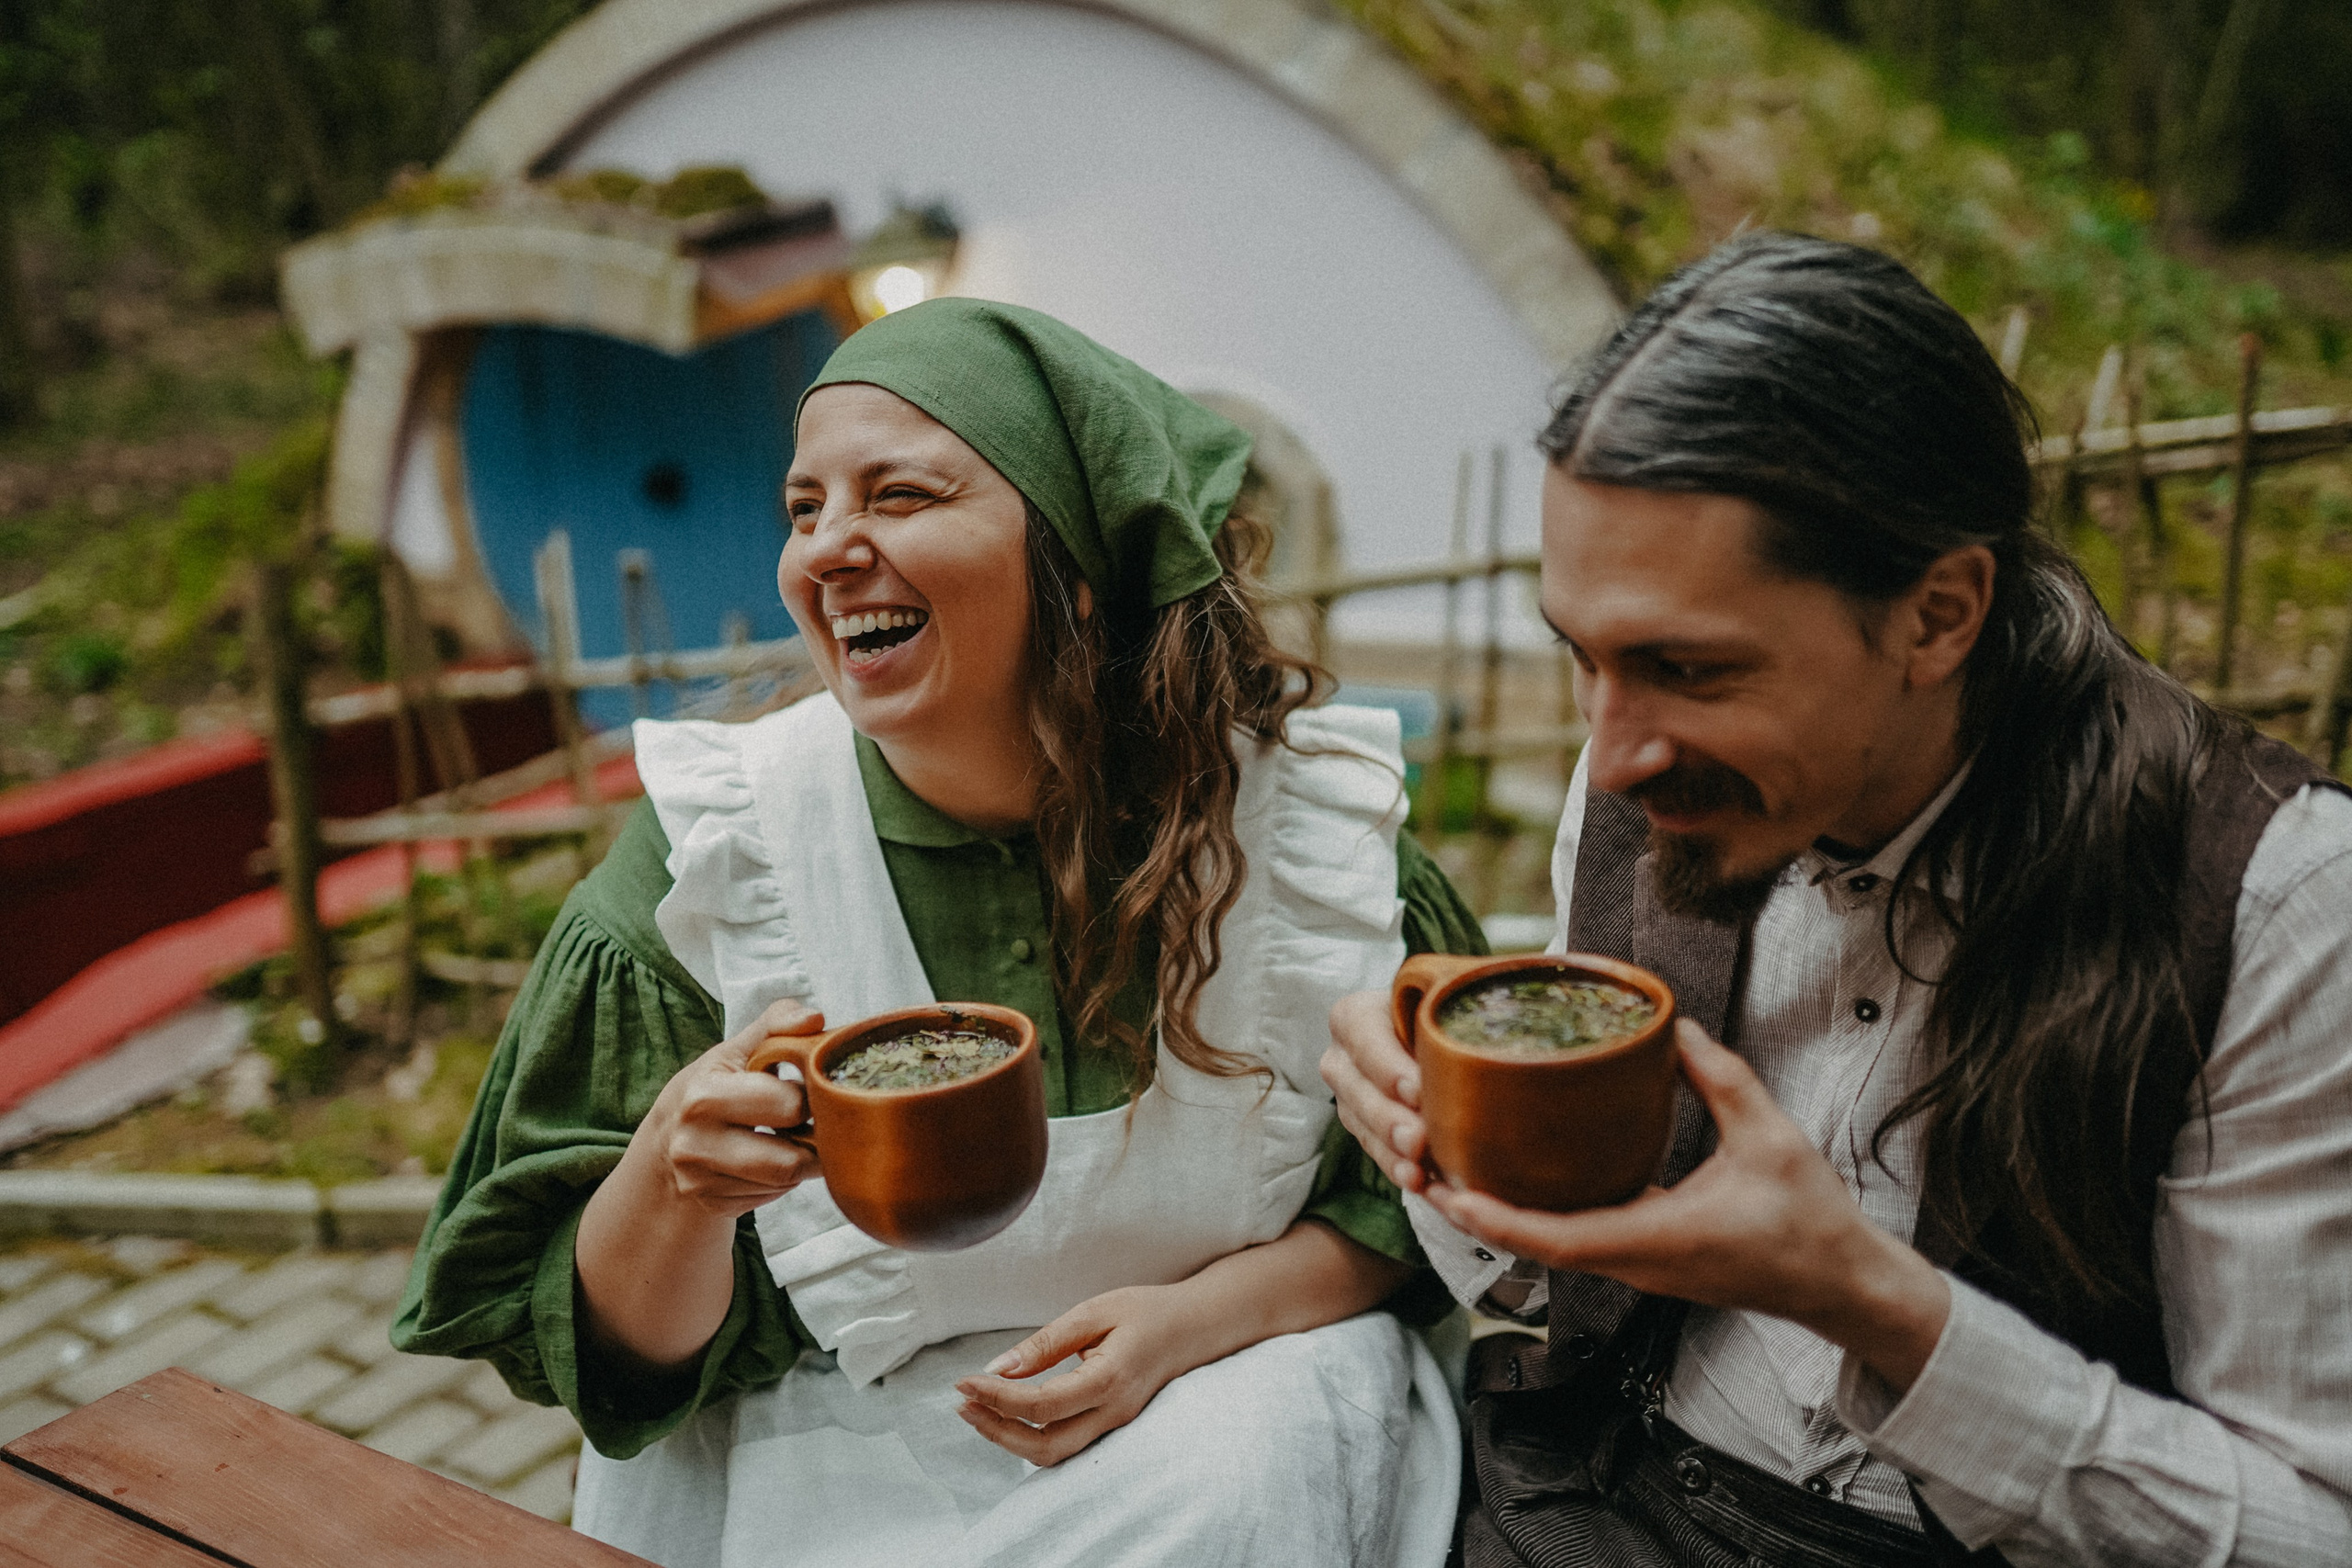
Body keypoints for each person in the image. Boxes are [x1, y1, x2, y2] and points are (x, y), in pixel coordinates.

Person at [394, 299, 1479, 1568]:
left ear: (1077, 556)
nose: (825, 551)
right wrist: (674, 1190)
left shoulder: (1303, 837)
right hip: (840, 1466)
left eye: (901, 495)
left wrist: (1193, 1325)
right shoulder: (722, 858)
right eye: (805, 509)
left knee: (1251, 1465)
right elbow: (617, 1365)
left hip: (1224, 1399)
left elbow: (1420, 1207)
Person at [1321, 232, 2352, 1567]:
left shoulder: (2276, 901)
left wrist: (1874, 1307)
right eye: (1584, 657)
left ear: (1939, 615)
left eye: (1691, 668)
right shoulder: (1645, 772)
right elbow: (1551, 1286)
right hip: (1600, 1489)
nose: (1611, 754)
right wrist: (1457, 1147)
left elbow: (2313, 1530)